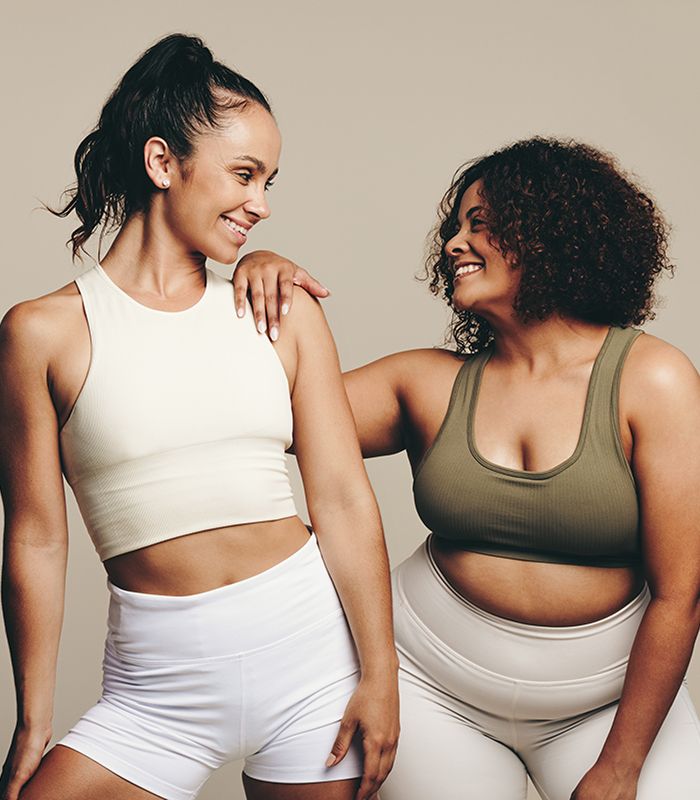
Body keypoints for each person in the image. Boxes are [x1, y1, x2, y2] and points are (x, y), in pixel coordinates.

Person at [234, 137, 700, 799]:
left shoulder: (654, 379)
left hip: (606, 705)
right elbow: (248, 409)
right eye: (455, 225)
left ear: (549, 234)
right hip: (426, 686)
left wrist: (622, 765)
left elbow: (682, 593)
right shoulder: (423, 382)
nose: (453, 242)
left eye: (479, 224)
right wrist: (262, 282)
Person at [0, 34, 399, 800]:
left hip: (313, 665)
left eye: (270, 180)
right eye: (245, 175)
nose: (263, 203)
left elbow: (345, 500)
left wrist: (380, 676)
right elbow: (37, 537)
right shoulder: (41, 334)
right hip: (156, 693)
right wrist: (34, 718)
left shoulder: (282, 314)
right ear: (162, 163)